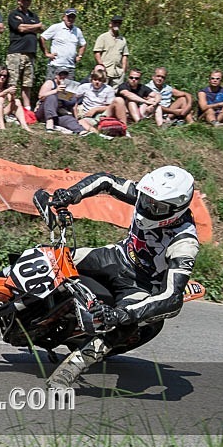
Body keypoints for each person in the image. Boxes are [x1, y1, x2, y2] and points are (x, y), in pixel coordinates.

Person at [36, 165, 200, 390]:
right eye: (145, 199)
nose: (147, 206)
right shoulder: (148, 198)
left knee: (122, 325)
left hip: (140, 286)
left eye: (157, 206)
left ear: (177, 209)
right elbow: (106, 180)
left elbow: (172, 298)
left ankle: (70, 369)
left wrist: (122, 314)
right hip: (116, 256)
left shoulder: (185, 242)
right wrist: (71, 194)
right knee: (50, 256)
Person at [6, 0, 43, 110]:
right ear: (19, 1)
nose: (27, 1)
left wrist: (30, 27)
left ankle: (27, 108)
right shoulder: (14, 14)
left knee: (27, 83)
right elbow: (20, 28)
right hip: (16, 53)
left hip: (30, 53)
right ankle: (9, 108)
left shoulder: (33, 16)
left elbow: (41, 28)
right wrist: (34, 26)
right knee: (13, 82)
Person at [35, 67, 86, 134]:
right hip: (43, 112)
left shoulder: (68, 87)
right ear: (56, 75)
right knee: (52, 97)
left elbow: (73, 105)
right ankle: (49, 123)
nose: (63, 76)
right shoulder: (50, 83)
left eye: (65, 75)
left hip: (58, 114)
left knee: (69, 119)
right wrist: (56, 91)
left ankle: (80, 130)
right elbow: (41, 96)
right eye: (60, 74)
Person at [75, 68, 127, 133]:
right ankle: (96, 133)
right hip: (88, 115)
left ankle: (124, 128)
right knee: (80, 122)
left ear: (103, 81)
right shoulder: (84, 87)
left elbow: (110, 106)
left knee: (119, 100)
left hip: (103, 114)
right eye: (95, 79)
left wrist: (96, 109)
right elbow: (74, 98)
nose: (97, 82)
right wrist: (76, 112)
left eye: (99, 80)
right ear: (91, 80)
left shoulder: (108, 89)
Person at [39, 8, 86, 81]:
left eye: (73, 17)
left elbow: (83, 44)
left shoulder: (77, 31)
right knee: (51, 89)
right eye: (69, 17)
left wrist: (79, 56)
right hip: (55, 66)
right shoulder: (56, 27)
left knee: (68, 91)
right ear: (64, 17)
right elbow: (42, 37)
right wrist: (46, 53)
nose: (70, 19)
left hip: (70, 67)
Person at [93, 15, 129, 88]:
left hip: (118, 73)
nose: (117, 25)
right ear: (110, 24)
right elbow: (97, 53)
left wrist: (123, 70)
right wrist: (102, 67)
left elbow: (125, 55)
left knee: (115, 94)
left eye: (119, 23)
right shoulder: (103, 37)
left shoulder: (122, 39)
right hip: (105, 71)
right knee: (101, 92)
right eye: (115, 23)